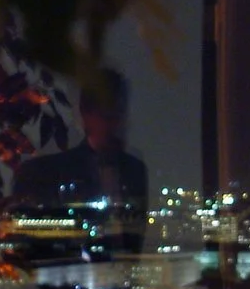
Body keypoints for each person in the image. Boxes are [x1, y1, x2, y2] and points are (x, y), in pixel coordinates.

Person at [14, 69, 150, 253]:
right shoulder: (48, 175)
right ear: (87, 114)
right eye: (108, 113)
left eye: (119, 112)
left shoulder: (135, 171)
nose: (116, 122)